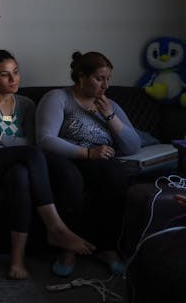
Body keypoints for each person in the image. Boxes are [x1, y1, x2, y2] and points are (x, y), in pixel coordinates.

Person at [0, 50, 94, 279]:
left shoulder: (27, 104)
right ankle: (55, 227)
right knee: (29, 156)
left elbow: (32, 141)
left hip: (13, 164)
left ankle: (17, 259)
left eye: (16, 72)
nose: (14, 80)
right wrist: (13, 150)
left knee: (20, 173)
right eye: (5, 75)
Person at [36, 51, 140, 276]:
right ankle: (67, 247)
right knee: (70, 180)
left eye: (108, 79)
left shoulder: (108, 105)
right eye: (99, 78)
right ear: (81, 76)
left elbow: (133, 146)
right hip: (65, 157)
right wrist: (89, 153)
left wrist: (110, 116)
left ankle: (108, 248)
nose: (105, 86)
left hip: (99, 161)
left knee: (116, 177)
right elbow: (45, 140)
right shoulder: (58, 98)